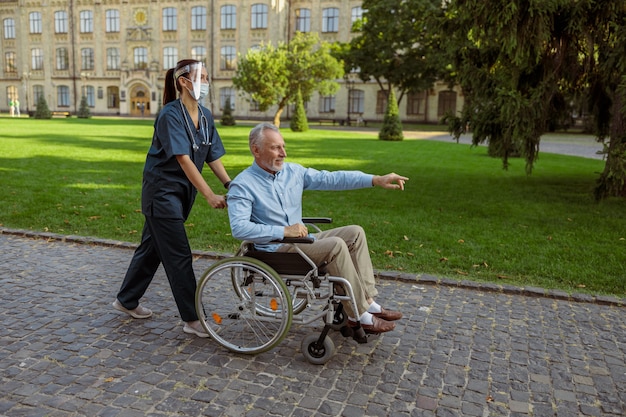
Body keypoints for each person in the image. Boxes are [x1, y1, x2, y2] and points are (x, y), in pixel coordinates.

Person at [227, 122, 409, 335]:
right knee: (336, 245)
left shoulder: (293, 172)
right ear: (255, 149)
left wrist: (375, 180)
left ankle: (367, 301)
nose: (283, 153)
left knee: (355, 233)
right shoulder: (243, 184)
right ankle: (358, 315)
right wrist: (284, 231)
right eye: (275, 148)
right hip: (276, 250)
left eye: (283, 146)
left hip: (302, 241)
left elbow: (332, 178)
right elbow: (239, 228)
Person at [113, 59, 232, 338]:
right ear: (183, 81)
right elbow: (183, 159)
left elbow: (212, 154)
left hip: (181, 194)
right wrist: (209, 194)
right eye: (199, 76)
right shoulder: (170, 115)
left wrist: (229, 184)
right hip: (162, 193)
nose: (204, 82)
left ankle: (126, 300)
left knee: (151, 249)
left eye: (206, 76)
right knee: (178, 255)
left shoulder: (205, 116)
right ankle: (192, 319)